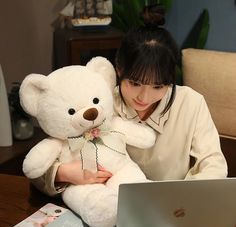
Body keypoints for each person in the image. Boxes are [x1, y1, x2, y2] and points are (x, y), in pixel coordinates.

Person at [31, 4, 227, 196]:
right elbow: (38, 171)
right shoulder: (99, 106)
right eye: (135, 83)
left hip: (176, 208)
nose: (144, 97)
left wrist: (183, 198)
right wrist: (64, 173)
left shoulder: (190, 103)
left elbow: (213, 165)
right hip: (110, 206)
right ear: (119, 69)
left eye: (158, 86)